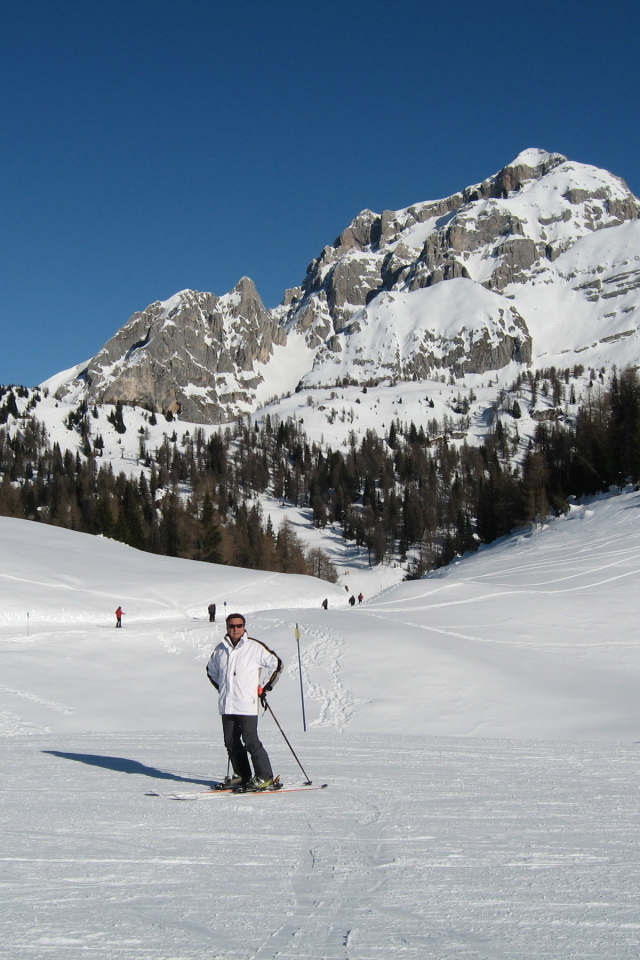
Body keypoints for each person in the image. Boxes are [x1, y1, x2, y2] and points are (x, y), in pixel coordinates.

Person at [206, 612, 282, 790]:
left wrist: (264, 686)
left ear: (244, 627)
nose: (236, 629)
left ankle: (265, 777)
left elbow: (276, 663)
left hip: (247, 703)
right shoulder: (220, 649)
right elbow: (211, 670)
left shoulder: (254, 647)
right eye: (232, 626)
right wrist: (224, 688)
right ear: (227, 628)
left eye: (239, 626)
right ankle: (243, 775)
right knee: (231, 742)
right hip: (227, 703)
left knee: (250, 740)